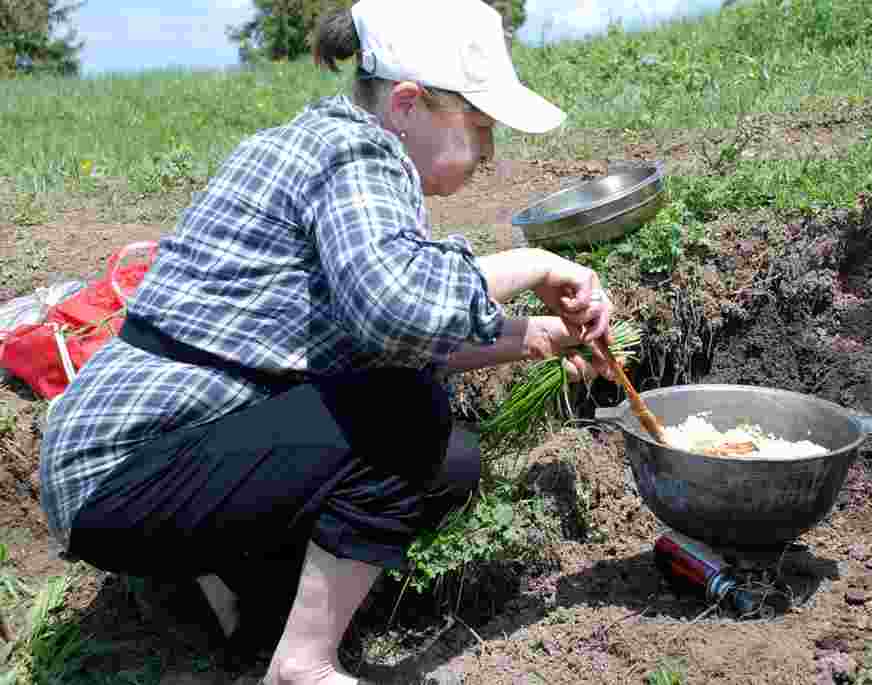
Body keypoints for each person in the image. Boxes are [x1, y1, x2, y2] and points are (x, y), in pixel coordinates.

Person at [38, 0, 616, 684]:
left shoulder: (332, 146)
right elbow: (398, 309)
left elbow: (375, 335)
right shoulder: (355, 155)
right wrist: (539, 266)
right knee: (405, 412)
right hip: (121, 464)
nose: (490, 152)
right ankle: (302, 664)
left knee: (446, 461)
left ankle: (229, 592)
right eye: (482, 125)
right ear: (407, 105)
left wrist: (537, 336)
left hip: (158, 455)